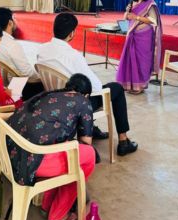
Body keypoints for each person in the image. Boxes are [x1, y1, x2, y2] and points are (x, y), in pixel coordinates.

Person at [37, 13, 138, 156]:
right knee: (116, 88)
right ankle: (123, 141)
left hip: (53, 100)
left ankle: (92, 128)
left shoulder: (42, 49)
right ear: (72, 33)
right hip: (75, 106)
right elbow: (96, 87)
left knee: (80, 88)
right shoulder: (73, 56)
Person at [7, 74, 96, 220]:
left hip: (10, 153)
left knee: (64, 148)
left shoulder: (49, 94)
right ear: (86, 95)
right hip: (30, 162)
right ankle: (58, 214)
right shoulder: (83, 101)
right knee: (88, 156)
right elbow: (86, 142)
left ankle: (47, 204)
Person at [116, 0, 162, 94]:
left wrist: (136, 17)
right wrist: (127, 12)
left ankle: (139, 86)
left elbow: (153, 20)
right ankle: (130, 85)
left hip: (144, 36)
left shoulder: (150, 3)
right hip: (132, 34)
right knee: (130, 60)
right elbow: (126, 18)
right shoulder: (133, 2)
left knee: (141, 61)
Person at [0, 7, 44, 100]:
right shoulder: (12, 45)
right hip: (13, 88)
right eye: (14, 19)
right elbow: (27, 73)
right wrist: (42, 77)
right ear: (10, 23)